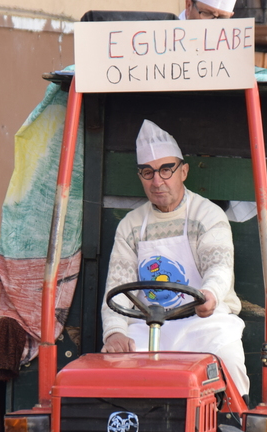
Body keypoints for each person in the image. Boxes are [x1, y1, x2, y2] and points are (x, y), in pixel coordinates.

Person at [100, 120, 250, 395]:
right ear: (140, 177)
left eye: (166, 170)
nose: (157, 181)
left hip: (203, 323)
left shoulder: (207, 215)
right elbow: (117, 286)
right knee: (113, 370)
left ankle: (234, 419)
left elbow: (219, 267)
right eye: (148, 172)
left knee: (228, 358)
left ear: (184, 171)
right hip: (148, 326)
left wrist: (210, 294)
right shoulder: (130, 225)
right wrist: (115, 332)